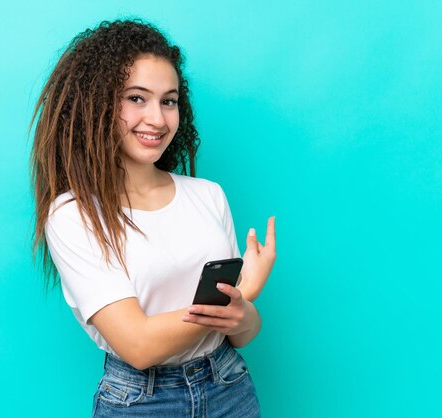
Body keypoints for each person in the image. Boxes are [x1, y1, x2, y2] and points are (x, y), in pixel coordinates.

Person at [30, 19, 276, 417]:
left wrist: (243, 310)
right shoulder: (73, 214)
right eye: (137, 98)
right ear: (98, 103)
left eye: (169, 100)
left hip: (230, 385)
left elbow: (243, 334)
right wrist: (243, 292)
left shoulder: (208, 195)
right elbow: (139, 346)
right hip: (142, 401)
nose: (158, 119)